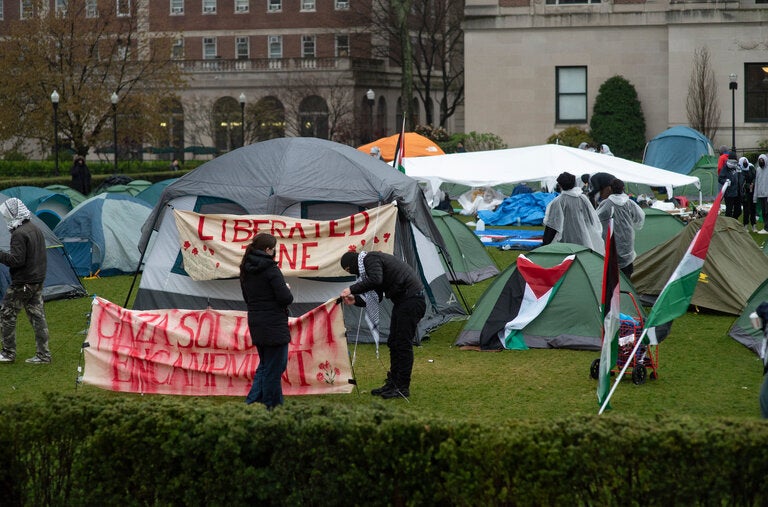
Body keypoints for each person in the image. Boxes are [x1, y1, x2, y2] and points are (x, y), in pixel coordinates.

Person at [340, 250, 426, 399]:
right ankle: (393, 383)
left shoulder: (370, 259)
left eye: (348, 270)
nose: (352, 273)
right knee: (393, 342)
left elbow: (376, 280)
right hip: (404, 301)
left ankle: (402, 387)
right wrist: (356, 299)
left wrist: (352, 288)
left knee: (402, 344)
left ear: (353, 263)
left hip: (412, 300)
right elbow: (376, 296)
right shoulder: (370, 267)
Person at [240, 233, 294, 410]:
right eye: (274, 248)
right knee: (274, 367)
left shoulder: (245, 269)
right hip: (273, 323)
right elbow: (285, 298)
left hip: (256, 321)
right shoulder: (271, 269)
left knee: (266, 365)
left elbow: (247, 297)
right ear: (268, 249)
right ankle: (270, 405)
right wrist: (286, 288)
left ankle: (255, 401)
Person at [0, 199, 52, 364]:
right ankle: (44, 355)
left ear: (13, 213)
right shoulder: (34, 228)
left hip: (23, 281)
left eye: (6, 214)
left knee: (7, 313)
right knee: (37, 316)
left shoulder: (19, 233)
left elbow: (17, 260)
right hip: (36, 279)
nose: (4, 217)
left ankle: (8, 353)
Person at [542, 172, 604, 253]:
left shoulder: (558, 201)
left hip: (566, 238)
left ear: (560, 185)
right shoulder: (582, 198)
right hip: (583, 236)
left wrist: (546, 243)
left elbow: (552, 225)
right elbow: (591, 218)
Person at [596, 178, 645, 278]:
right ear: (623, 188)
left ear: (610, 189)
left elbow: (596, 220)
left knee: (612, 269)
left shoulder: (606, 204)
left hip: (611, 240)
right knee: (627, 271)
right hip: (627, 239)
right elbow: (640, 217)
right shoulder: (629, 203)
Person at [718, 153, 744, 220]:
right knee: (729, 211)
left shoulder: (738, 167)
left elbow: (741, 177)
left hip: (738, 192)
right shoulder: (725, 168)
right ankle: (728, 224)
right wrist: (726, 181)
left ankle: (734, 220)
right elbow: (720, 178)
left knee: (738, 211)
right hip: (729, 193)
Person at [739, 156, 757, 232]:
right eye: (744, 163)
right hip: (745, 192)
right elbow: (741, 182)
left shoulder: (751, 167)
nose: (745, 164)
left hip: (753, 191)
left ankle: (754, 225)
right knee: (746, 209)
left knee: (753, 208)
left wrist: (753, 183)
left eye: (746, 162)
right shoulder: (741, 170)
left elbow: (755, 176)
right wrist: (747, 185)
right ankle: (745, 225)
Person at [754, 154, 768, 234]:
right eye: (760, 160)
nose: (761, 162)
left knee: (767, 212)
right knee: (763, 212)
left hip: (766, 194)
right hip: (761, 195)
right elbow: (757, 182)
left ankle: (766, 228)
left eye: (762, 160)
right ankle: (766, 227)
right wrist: (755, 196)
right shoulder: (758, 170)